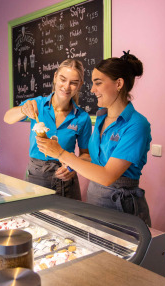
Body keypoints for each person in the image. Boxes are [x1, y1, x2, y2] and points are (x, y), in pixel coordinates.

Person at [36, 51, 152, 226]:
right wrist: (72, 165)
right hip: (95, 200)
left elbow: (107, 176)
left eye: (98, 83)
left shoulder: (136, 125)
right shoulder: (100, 118)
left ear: (119, 83)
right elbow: (94, 159)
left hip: (121, 207)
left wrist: (60, 153)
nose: (91, 90)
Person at [4, 59, 92, 200]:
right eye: (63, 79)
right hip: (36, 176)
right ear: (55, 77)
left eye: (73, 82)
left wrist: (73, 167)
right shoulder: (37, 104)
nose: (66, 87)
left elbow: (86, 155)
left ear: (80, 85)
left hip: (66, 180)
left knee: (70, 220)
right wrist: (23, 109)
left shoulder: (82, 118)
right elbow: (7, 118)